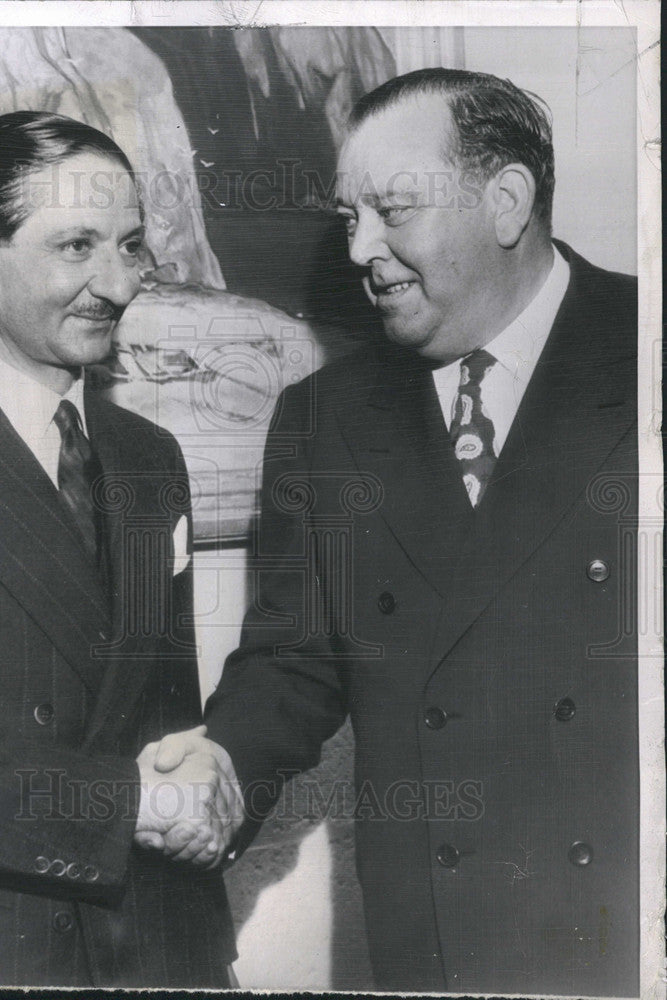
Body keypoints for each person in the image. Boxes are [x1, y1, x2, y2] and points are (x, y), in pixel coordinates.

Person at [199, 69, 639, 994]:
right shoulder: (324, 419)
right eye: (348, 217)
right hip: (437, 945)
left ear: (507, 201)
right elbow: (290, 663)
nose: (360, 248)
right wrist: (215, 772)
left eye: (390, 211)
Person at [0, 111, 242, 988]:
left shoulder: (149, 459)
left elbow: (163, 714)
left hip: (158, 943)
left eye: (130, 247)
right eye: (75, 247)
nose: (118, 283)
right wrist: (128, 802)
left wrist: (206, 776)